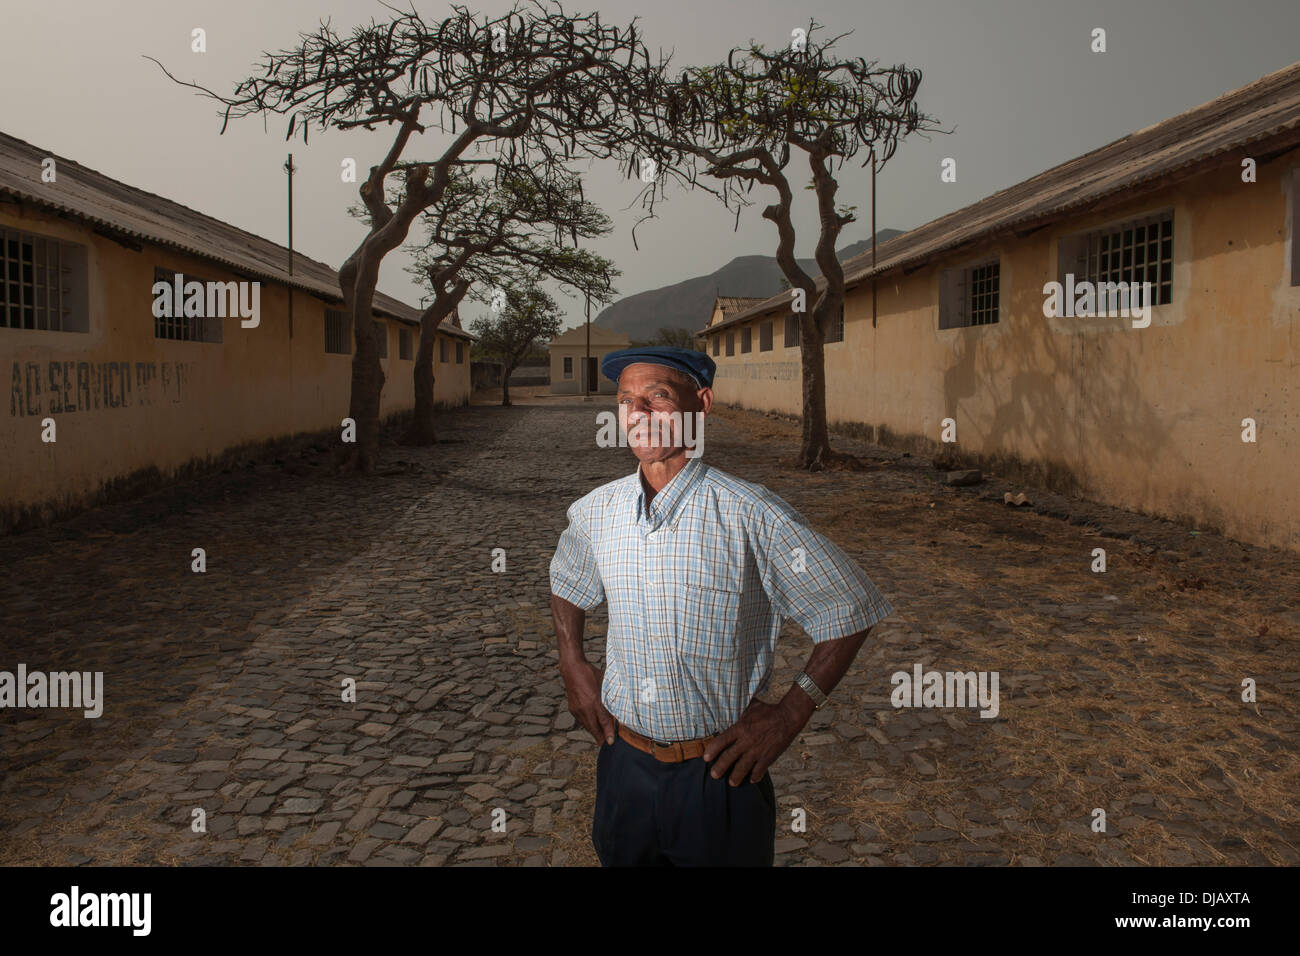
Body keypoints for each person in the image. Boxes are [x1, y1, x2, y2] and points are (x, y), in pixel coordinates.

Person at [548, 346, 894, 866]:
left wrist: (790, 714)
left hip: (716, 776)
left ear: (701, 403)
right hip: (622, 768)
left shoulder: (752, 514)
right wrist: (572, 661)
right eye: (626, 401)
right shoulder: (597, 511)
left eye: (657, 396)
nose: (637, 413)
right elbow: (568, 579)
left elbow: (849, 606)